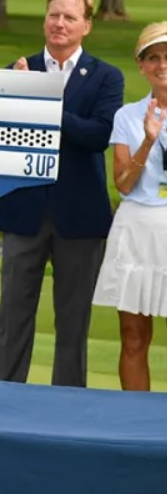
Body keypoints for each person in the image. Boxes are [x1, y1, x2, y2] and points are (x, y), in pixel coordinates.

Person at [0, 0, 123, 387]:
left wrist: (39, 98)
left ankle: (67, 402)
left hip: (80, 216)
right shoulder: (19, 69)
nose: (59, 23)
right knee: (12, 315)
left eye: (69, 17)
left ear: (86, 25)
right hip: (23, 210)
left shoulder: (106, 77)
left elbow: (98, 135)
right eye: (53, 15)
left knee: (73, 320)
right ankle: (2, 393)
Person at [92, 22, 167, 391]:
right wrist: (148, 142)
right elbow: (122, 183)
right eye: (153, 58)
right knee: (134, 335)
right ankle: (137, 418)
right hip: (136, 228)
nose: (162, 65)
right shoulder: (127, 116)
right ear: (142, 66)